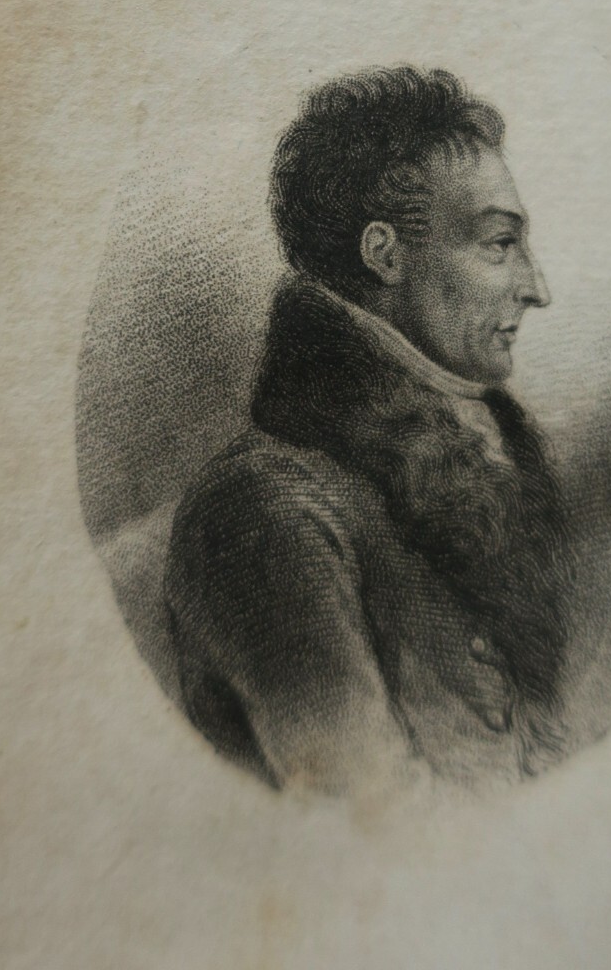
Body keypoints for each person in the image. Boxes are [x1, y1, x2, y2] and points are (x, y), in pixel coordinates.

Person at [164, 66, 575, 795]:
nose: (536, 287)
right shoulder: (265, 508)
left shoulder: (486, 457)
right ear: (385, 255)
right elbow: (365, 813)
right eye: (498, 244)